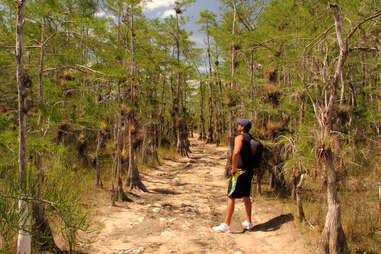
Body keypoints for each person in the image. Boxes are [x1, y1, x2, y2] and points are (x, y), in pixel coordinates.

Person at [212, 118, 255, 233]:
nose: (238, 125)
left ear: (243, 127)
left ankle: (226, 224)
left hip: (239, 172)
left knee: (231, 195)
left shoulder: (239, 138)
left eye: (240, 124)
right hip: (249, 172)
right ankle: (249, 222)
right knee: (246, 195)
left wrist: (234, 168)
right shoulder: (252, 139)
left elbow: (236, 153)